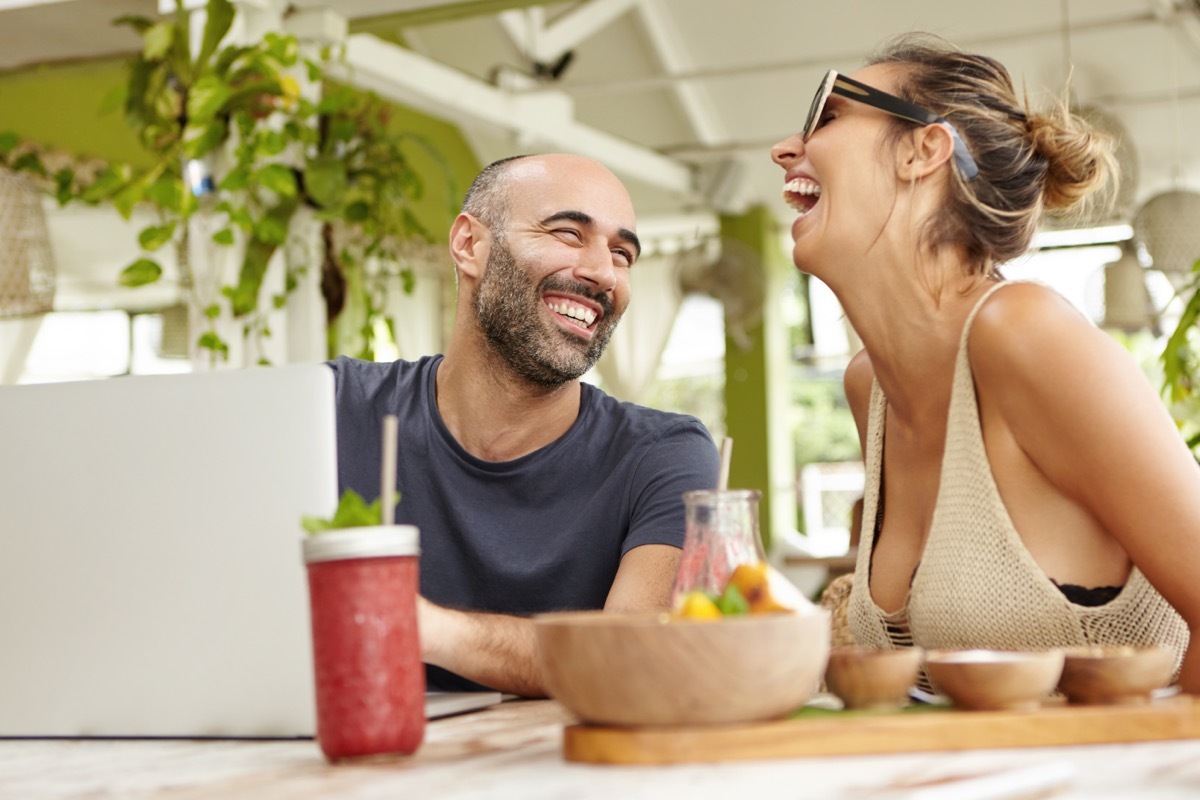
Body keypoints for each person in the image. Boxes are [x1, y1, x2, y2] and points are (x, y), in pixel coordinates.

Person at [770, 33, 1200, 692]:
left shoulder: (1025, 333)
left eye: (827, 113)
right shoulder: (870, 388)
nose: (785, 148)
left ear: (923, 150)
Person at [328, 153, 720, 696]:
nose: (604, 273)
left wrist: (420, 627)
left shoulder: (664, 455)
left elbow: (635, 655)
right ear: (470, 244)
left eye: (622, 254)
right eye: (567, 233)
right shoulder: (332, 405)